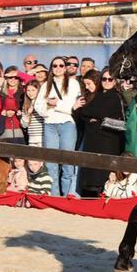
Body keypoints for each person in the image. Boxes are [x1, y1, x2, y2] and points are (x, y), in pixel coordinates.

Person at [73, 68, 126, 196]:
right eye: (104, 79)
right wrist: (87, 114)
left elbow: (96, 112)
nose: (107, 81)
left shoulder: (115, 96)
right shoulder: (99, 95)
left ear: (115, 81)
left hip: (108, 140)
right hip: (94, 139)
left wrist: (90, 115)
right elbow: (85, 114)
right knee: (91, 171)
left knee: (102, 172)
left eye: (110, 79)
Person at [34, 56, 82, 196]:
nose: (58, 68)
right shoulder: (45, 85)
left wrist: (56, 104)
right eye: (55, 66)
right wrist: (49, 107)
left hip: (67, 124)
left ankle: (68, 194)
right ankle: (54, 195)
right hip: (50, 124)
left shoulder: (73, 83)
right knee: (51, 163)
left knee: (68, 162)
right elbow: (38, 106)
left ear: (65, 67)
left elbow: (73, 106)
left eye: (62, 65)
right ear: (51, 68)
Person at [0, 66, 25, 144]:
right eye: (10, 77)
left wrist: (19, 73)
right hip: (4, 131)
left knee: (20, 155)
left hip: (20, 131)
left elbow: (32, 80)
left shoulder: (23, 92)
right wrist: (4, 114)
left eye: (15, 77)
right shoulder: (1, 94)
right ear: (6, 78)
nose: (13, 79)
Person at [20, 80, 44, 146]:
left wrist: (36, 107)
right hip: (32, 139)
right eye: (28, 90)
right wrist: (28, 114)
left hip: (43, 139)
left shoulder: (42, 103)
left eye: (33, 90)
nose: (30, 93)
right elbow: (24, 125)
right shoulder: (26, 105)